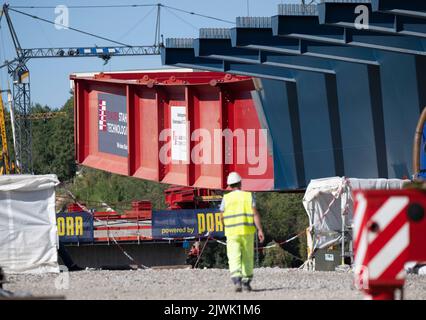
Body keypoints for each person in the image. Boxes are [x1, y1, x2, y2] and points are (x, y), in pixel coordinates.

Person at [219, 172, 264, 292]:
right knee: (248, 256)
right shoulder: (248, 196)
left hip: (232, 233)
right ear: (240, 183)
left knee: (234, 256)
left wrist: (226, 226)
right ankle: (246, 282)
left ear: (229, 185)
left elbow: (221, 216)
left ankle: (237, 280)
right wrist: (260, 230)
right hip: (247, 232)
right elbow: (255, 214)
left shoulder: (226, 198)